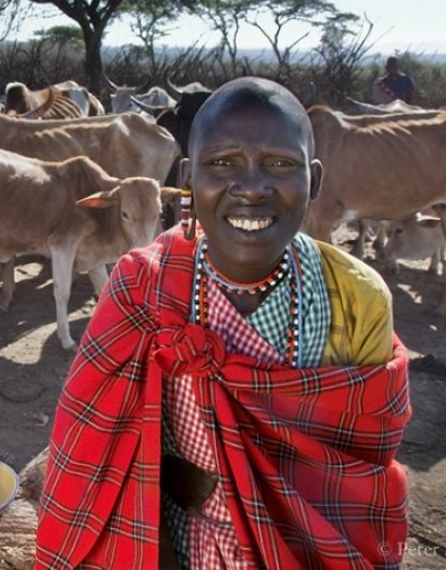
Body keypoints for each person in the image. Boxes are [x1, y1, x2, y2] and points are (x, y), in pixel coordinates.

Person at [36, 77, 411, 569]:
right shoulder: (140, 286)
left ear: (315, 180)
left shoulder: (358, 300)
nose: (252, 187)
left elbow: (358, 478)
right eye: (222, 164)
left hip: (302, 551)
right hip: (174, 545)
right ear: (189, 178)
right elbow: (89, 444)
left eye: (280, 164)